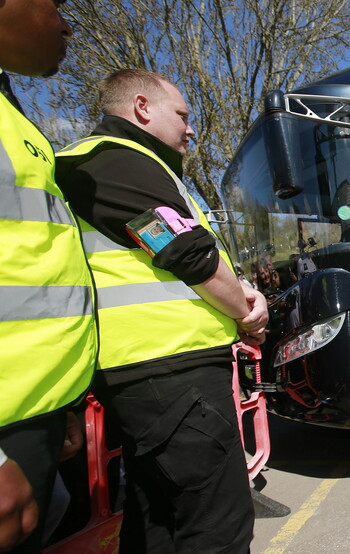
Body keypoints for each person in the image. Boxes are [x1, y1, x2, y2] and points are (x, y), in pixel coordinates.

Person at [55, 69, 269, 551]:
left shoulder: (118, 163)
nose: (191, 128)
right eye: (182, 115)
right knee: (217, 525)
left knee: (159, 521)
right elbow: (187, 252)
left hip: (156, 373)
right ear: (141, 108)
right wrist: (247, 311)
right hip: (171, 368)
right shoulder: (116, 161)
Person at [0, 2, 97, 551]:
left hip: (33, 407)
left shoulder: (13, 115)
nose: (66, 24)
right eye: (54, 4)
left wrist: (63, 400)